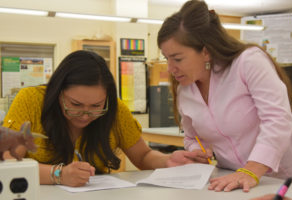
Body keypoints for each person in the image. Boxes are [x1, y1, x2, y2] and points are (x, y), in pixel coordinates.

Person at [157, 0, 292, 193]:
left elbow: (278, 119)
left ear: (205, 51)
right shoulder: (186, 90)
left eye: (178, 58)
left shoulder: (248, 62)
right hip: (236, 181)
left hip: (288, 177)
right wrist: (196, 153)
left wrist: (252, 169)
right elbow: (192, 137)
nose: (170, 68)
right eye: (167, 58)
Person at [2, 50, 200, 187]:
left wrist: (168, 161)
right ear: (58, 92)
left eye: (96, 106)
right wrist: (59, 175)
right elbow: (9, 162)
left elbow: (142, 156)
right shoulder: (30, 101)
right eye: (76, 105)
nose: (86, 115)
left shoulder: (116, 110)